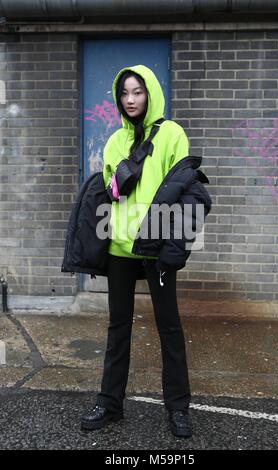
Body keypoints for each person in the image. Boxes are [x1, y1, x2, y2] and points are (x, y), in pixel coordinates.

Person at [80, 64, 196, 438]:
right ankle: (110, 404)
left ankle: (178, 408)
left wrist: (174, 246)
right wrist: (114, 188)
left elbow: (185, 194)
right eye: (125, 93)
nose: (130, 100)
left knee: (169, 327)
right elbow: (111, 193)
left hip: (157, 246)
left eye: (138, 92)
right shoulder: (114, 141)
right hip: (120, 248)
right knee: (118, 327)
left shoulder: (173, 135)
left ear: (151, 94)